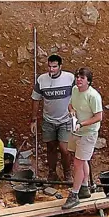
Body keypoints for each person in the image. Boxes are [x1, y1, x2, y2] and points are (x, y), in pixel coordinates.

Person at [63, 67, 103, 210]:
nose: (78, 80)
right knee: (82, 159)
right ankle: (84, 187)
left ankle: (74, 194)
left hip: (88, 133)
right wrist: (72, 111)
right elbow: (70, 104)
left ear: (89, 81)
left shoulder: (93, 96)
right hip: (77, 131)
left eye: (82, 78)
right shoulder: (75, 90)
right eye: (77, 77)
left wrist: (82, 124)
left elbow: (98, 117)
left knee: (78, 163)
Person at [31, 54, 75, 182]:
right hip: (48, 120)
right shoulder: (41, 80)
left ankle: (67, 174)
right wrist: (33, 120)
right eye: (49, 66)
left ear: (60, 66)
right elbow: (35, 99)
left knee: (64, 149)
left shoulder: (70, 78)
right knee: (50, 147)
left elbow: (77, 95)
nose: (51, 69)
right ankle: (52, 173)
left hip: (65, 120)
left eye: (54, 67)